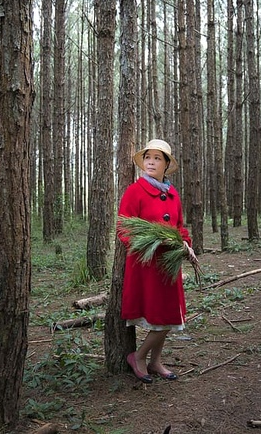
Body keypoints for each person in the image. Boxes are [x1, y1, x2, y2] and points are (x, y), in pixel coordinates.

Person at [117, 139, 197, 383]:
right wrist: (145, 246)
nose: (151, 162)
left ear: (166, 164)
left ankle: (155, 361)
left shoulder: (173, 195)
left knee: (170, 315)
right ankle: (138, 357)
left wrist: (185, 245)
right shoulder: (134, 191)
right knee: (159, 316)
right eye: (148, 157)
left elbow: (179, 227)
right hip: (146, 266)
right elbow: (124, 227)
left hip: (169, 265)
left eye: (157, 158)